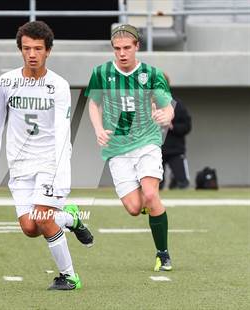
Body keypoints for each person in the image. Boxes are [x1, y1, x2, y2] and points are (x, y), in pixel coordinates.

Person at [0, 21, 93, 290]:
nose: (32, 54)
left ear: (48, 51)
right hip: (19, 166)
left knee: (42, 218)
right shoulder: (6, 82)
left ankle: (70, 276)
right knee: (30, 228)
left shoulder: (59, 86)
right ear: (20, 49)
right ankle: (71, 217)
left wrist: (61, 172)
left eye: (38, 49)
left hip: (49, 163)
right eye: (27, 48)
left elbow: (63, 132)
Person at [85, 24, 174, 271]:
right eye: (117, 49)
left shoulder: (151, 74)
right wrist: (98, 129)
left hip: (147, 142)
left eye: (127, 48)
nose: (122, 53)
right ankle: (147, 202)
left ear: (137, 47)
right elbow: (93, 104)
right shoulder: (101, 73)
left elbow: (168, 105)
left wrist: (166, 116)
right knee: (134, 208)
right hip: (118, 148)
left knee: (151, 194)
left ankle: (163, 253)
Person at [160, 74, 192, 190]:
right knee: (155, 185)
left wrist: (172, 126)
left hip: (175, 150)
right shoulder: (148, 104)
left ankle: (174, 180)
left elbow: (187, 126)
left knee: (182, 183)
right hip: (156, 152)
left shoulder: (177, 104)